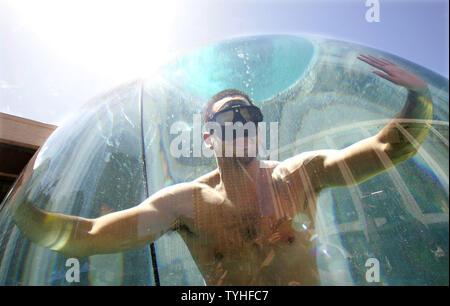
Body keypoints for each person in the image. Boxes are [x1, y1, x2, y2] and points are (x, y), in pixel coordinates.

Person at [9, 54, 433, 285]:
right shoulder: (186, 204)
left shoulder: (302, 175)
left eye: (250, 116)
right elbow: (90, 236)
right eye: (230, 120)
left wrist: (419, 95)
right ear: (208, 137)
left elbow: (389, 148)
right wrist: (19, 207)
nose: (243, 126)